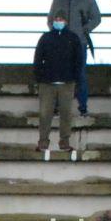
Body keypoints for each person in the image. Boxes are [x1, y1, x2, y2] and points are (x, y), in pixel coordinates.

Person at [49, 0, 100, 114]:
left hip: (79, 43)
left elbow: (96, 18)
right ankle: (57, 106)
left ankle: (83, 106)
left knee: (80, 75)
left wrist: (85, 30)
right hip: (60, 43)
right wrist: (55, 33)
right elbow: (50, 19)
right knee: (59, 75)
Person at [34, 13, 84, 152]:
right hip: (47, 83)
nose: (58, 21)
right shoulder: (46, 38)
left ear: (66, 21)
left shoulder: (73, 38)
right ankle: (43, 142)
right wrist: (39, 77)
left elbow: (78, 60)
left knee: (66, 114)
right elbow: (38, 58)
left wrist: (75, 78)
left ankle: (64, 142)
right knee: (45, 114)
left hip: (67, 82)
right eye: (56, 19)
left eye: (61, 19)